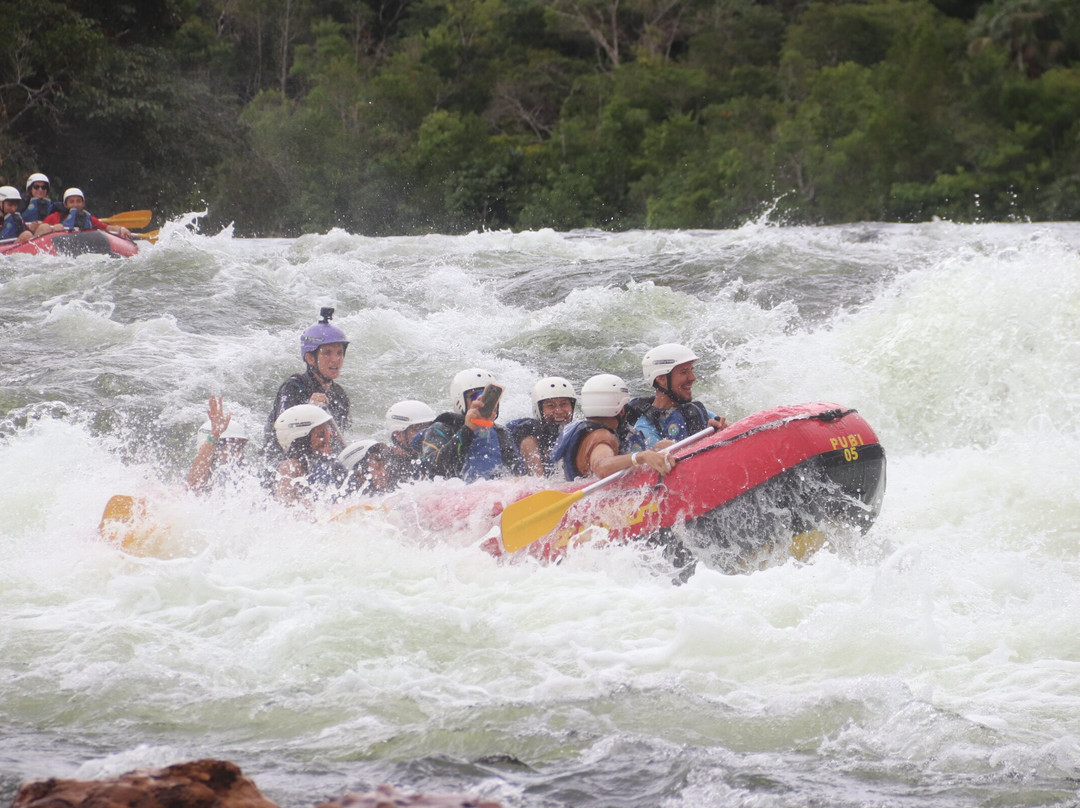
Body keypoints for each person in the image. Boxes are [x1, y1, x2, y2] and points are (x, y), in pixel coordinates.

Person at [264, 308, 351, 468]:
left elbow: (337, 442)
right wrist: (309, 408)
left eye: (339, 353)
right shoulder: (293, 386)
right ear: (310, 358)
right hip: (282, 464)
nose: (336, 359)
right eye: (327, 353)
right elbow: (283, 432)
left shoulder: (340, 395)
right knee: (293, 467)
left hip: (321, 462)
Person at [550, 374, 675, 480]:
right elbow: (601, 466)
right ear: (620, 410)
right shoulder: (602, 436)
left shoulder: (588, 431)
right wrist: (643, 456)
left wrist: (654, 451)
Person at [419, 367, 524, 482]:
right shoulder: (441, 429)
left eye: (490, 397)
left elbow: (515, 472)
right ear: (460, 401)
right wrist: (468, 429)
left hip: (492, 494)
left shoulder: (500, 432)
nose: (482, 402)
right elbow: (431, 469)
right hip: (456, 494)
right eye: (476, 396)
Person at [626, 343, 728, 449]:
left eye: (691, 370)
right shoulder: (645, 428)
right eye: (684, 372)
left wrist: (721, 429)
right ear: (662, 379)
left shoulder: (696, 410)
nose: (693, 378)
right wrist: (657, 451)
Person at [271, 404, 348, 505]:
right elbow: (288, 509)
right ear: (302, 440)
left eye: (327, 434)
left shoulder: (325, 465)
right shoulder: (290, 467)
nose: (327, 440)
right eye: (320, 435)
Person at [506, 377, 577, 476]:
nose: (559, 411)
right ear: (538, 409)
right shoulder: (529, 432)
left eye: (564, 404)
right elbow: (538, 480)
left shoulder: (572, 431)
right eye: (551, 406)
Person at [185, 395, 250, 493]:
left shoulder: (249, 478)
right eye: (230, 447)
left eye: (239, 446)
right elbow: (192, 487)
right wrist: (215, 434)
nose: (236, 453)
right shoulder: (195, 478)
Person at [39, 188, 132, 239]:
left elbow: (108, 227)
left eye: (78, 201)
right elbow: (42, 229)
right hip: (59, 246)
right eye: (71, 202)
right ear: (65, 205)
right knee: (57, 227)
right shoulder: (55, 217)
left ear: (83, 203)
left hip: (82, 244)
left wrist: (121, 229)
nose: (75, 204)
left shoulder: (89, 218)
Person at [383, 399, 436, 486]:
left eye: (429, 427)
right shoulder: (386, 470)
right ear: (398, 435)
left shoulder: (434, 454)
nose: (426, 433)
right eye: (418, 428)